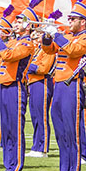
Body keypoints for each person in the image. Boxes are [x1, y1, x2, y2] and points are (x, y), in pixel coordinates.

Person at [42, 0, 86, 171]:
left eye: (73, 19)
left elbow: (73, 51)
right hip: (60, 85)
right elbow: (48, 50)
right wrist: (47, 36)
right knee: (60, 131)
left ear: (83, 21)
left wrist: (57, 35)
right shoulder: (68, 35)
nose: (69, 21)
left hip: (74, 86)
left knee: (72, 131)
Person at [0, 4, 34, 171]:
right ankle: (8, 165)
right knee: (6, 127)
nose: (15, 25)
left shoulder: (27, 43)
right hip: (5, 85)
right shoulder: (14, 40)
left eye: (19, 22)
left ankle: (16, 168)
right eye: (15, 22)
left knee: (15, 128)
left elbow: (8, 55)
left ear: (28, 25)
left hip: (16, 87)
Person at [25, 23, 56, 159]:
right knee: (35, 116)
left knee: (41, 116)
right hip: (33, 82)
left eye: (40, 33)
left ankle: (42, 147)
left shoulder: (48, 50)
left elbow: (44, 69)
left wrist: (28, 66)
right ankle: (36, 145)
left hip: (42, 82)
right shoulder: (37, 49)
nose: (36, 35)